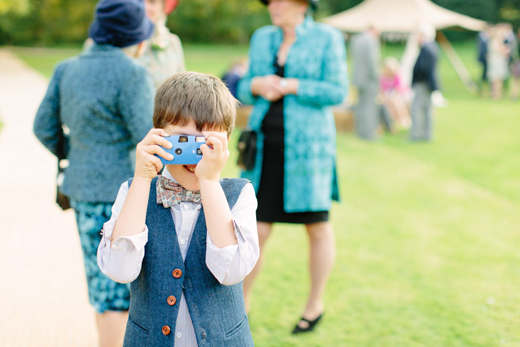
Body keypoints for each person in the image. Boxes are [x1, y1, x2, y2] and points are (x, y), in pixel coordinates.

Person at [97, 72, 259, 346]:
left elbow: (231, 271)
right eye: (184, 140)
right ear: (158, 136)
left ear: (227, 142)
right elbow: (119, 270)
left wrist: (208, 181)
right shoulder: (134, 191)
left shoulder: (240, 194)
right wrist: (141, 179)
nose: (197, 153)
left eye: (208, 143)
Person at [33, 0, 155, 345]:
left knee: (101, 286)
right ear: (134, 37)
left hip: (82, 189)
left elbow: (43, 126)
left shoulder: (66, 68)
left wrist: (76, 152)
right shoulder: (132, 73)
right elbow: (146, 135)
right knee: (119, 293)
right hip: (123, 194)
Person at [237, 0, 348, 334]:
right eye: (271, 1)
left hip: (308, 151)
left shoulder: (327, 38)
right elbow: (243, 87)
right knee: (255, 227)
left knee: (316, 226)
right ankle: (240, 304)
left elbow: (337, 90)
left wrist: (291, 85)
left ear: (303, 4)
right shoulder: (262, 37)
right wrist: (257, 85)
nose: (274, 6)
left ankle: (315, 304)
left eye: (281, 0)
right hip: (264, 146)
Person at [141, 0, 185, 88]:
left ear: (162, 8)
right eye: (140, 1)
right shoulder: (123, 41)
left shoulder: (173, 42)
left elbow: (182, 85)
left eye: (152, 2)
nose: (145, 7)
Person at [410, 23, 441, 142]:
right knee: (427, 110)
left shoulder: (426, 48)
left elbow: (423, 68)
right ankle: (427, 134)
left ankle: (417, 134)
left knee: (417, 109)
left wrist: (417, 79)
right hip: (428, 84)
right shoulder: (433, 46)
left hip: (423, 83)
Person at [350, 26, 381, 140]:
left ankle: (360, 130)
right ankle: (369, 133)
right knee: (369, 107)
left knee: (360, 106)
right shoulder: (371, 41)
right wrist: (377, 78)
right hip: (368, 80)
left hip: (357, 79)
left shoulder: (356, 40)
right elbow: (372, 63)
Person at [379, 57, 411, 129]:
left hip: (398, 94)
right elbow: (381, 89)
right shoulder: (382, 77)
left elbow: (398, 89)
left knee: (396, 101)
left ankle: (403, 119)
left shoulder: (396, 76)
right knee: (387, 102)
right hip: (387, 95)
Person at [487, 25, 510, 100]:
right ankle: (496, 95)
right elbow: (501, 51)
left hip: (498, 61)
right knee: (496, 79)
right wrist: (506, 50)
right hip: (497, 62)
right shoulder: (495, 41)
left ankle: (496, 94)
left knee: (498, 79)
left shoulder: (496, 41)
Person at [476, 25, 490, 96]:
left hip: (489, 59)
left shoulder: (490, 37)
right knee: (483, 73)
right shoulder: (480, 36)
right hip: (483, 58)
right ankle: (481, 88)